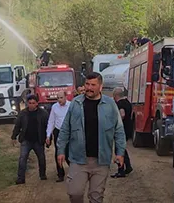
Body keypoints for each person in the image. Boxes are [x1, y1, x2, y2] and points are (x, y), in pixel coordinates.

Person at [56, 72, 126, 203]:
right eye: (87, 84)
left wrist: (120, 152)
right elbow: (65, 129)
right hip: (78, 159)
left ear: (100, 86)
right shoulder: (76, 104)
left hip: (101, 160)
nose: (89, 87)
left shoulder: (110, 105)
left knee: (96, 196)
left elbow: (119, 130)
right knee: (74, 193)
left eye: (93, 85)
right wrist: (60, 151)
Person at [11, 94, 49, 184]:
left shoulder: (43, 114)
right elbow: (17, 125)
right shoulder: (23, 113)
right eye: (30, 103)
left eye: (33, 103)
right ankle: (21, 178)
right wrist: (13, 137)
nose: (31, 105)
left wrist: (48, 138)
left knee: (41, 158)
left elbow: (48, 126)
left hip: (38, 140)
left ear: (37, 104)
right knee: (22, 158)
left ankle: (42, 175)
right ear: (27, 103)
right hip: (26, 140)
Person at [46, 91, 72, 182]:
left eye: (61, 97)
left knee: (69, 152)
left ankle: (74, 172)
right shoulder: (54, 107)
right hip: (58, 131)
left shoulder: (71, 106)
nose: (59, 100)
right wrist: (48, 135)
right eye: (58, 98)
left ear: (66, 97)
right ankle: (60, 174)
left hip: (69, 132)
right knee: (58, 153)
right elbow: (51, 121)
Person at [111, 87, 133, 178]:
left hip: (122, 129)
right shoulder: (128, 103)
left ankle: (121, 170)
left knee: (119, 150)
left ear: (116, 95)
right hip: (128, 128)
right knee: (122, 148)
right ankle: (128, 167)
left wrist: (117, 122)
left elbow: (122, 114)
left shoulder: (120, 104)